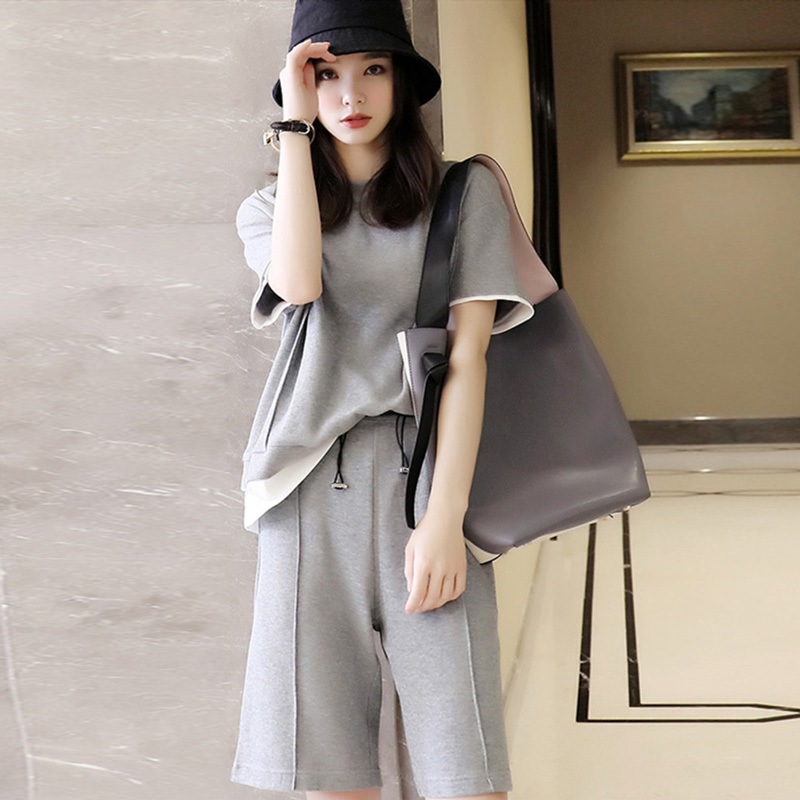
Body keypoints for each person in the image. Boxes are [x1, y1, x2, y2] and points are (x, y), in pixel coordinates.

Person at [230, 2, 534, 798]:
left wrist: (444, 518)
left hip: (423, 479)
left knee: (465, 772)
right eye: (326, 74)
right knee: (331, 772)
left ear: (402, 81)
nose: (351, 93)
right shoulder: (268, 210)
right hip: (304, 490)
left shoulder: (463, 194)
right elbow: (300, 284)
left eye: (373, 69)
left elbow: (467, 360)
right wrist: (295, 134)